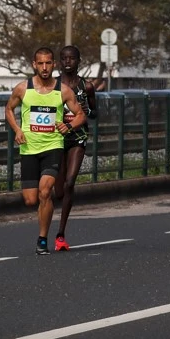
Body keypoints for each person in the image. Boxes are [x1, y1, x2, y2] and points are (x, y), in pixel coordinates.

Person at [5, 48, 86, 255]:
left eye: (48, 63)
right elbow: (9, 109)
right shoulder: (23, 89)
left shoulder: (63, 90)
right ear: (34, 64)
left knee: (45, 191)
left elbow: (80, 115)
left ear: (53, 65)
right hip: (29, 149)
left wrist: (68, 127)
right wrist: (17, 130)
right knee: (31, 200)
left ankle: (42, 238)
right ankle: (43, 225)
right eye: (40, 63)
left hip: (53, 147)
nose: (44, 67)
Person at [54, 45, 102, 251]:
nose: (67, 62)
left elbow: (94, 113)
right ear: (59, 62)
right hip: (55, 138)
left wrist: (86, 111)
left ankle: (61, 233)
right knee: (58, 190)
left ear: (78, 61)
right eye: (64, 58)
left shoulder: (87, 86)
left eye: (71, 58)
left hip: (78, 137)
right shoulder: (52, 85)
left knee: (70, 182)